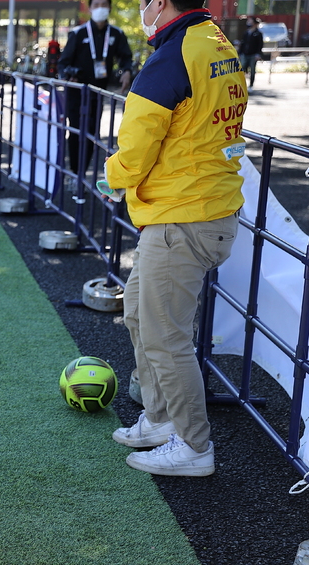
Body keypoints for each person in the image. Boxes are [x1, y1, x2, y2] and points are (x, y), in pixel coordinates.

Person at [102, 0, 247, 476]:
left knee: (166, 338)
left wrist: (110, 175)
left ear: (161, 3)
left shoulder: (171, 56)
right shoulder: (216, 43)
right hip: (197, 208)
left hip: (181, 216)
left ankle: (193, 445)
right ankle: (162, 419)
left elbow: (135, 149)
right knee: (138, 314)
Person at [57, 0, 133, 176]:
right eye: (96, 5)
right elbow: (63, 64)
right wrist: (68, 75)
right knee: (76, 131)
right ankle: (75, 172)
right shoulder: (78, 33)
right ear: (90, 8)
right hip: (77, 93)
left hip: (97, 93)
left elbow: (125, 57)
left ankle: (82, 172)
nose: (100, 9)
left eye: (104, 5)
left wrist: (127, 71)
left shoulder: (116, 34)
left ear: (110, 8)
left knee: (92, 132)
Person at [238, 17, 264, 87]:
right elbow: (242, 43)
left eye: (251, 21)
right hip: (244, 54)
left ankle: (251, 85)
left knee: (252, 70)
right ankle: (241, 84)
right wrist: (240, 53)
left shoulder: (258, 33)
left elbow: (260, 45)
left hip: (253, 55)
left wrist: (258, 54)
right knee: (242, 69)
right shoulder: (246, 32)